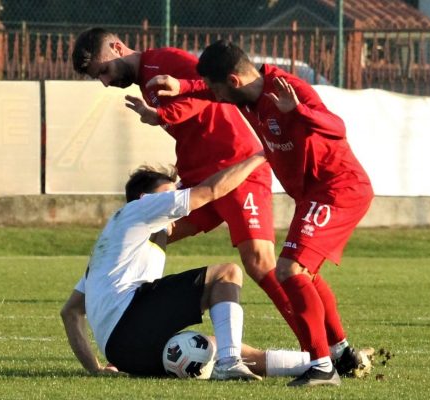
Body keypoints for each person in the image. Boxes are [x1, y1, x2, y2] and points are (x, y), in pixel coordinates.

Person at [145, 40, 375, 387]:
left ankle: (322, 366)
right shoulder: (248, 94)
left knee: (289, 269)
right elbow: (209, 93)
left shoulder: (287, 89)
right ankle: (340, 352)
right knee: (305, 274)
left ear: (233, 82)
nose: (215, 97)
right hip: (312, 195)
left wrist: (298, 113)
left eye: (216, 88)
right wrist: (184, 86)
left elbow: (337, 126)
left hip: (337, 188)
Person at [71, 28, 303, 342]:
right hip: (200, 178)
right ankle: (128, 321)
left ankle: (324, 348)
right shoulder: (146, 82)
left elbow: (205, 92)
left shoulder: (164, 60)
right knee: (152, 232)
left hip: (235, 168)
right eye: (98, 77)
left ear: (116, 47)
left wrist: (163, 115)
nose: (105, 81)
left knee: (259, 263)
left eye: (104, 71)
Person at [60, 154, 314, 380]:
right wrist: (261, 156)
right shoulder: (140, 209)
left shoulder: (111, 247)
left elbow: (70, 312)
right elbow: (211, 191)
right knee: (227, 273)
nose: (175, 205)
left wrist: (94, 368)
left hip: (124, 353)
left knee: (218, 345)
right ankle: (229, 364)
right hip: (131, 323)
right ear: (145, 198)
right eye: (169, 194)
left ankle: (317, 362)